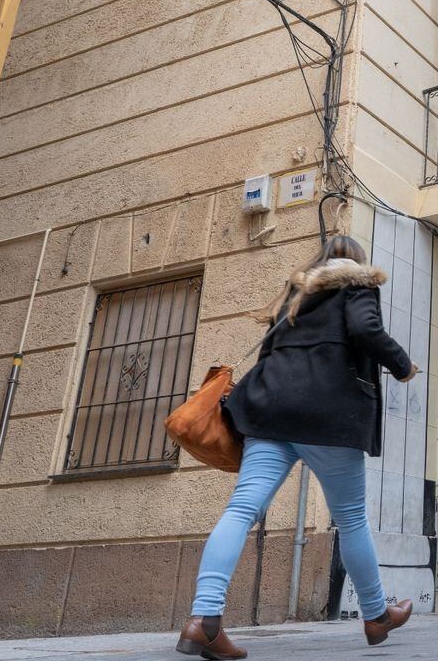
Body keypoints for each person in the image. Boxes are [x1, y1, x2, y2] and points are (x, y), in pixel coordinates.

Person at [176, 235, 418, 659]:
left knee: (240, 510)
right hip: (328, 417)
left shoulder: (297, 292)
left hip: (271, 413)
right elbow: (366, 330)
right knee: (353, 521)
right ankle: (377, 616)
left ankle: (204, 621)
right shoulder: (359, 286)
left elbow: (269, 351)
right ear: (356, 264)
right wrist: (402, 366)